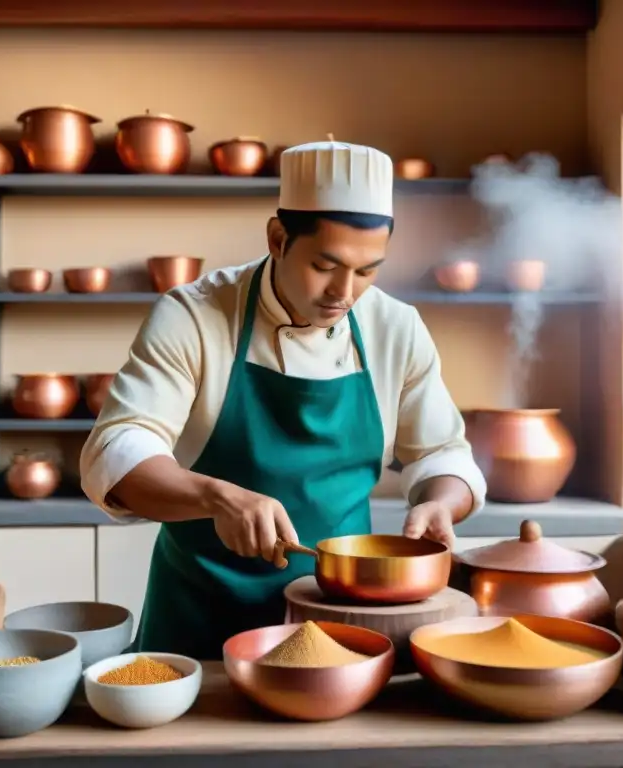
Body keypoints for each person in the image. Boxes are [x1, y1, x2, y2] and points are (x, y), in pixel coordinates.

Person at [79, 139, 486, 660]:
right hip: (201, 619)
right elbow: (116, 451)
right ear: (277, 238)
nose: (344, 291)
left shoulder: (395, 327)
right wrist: (216, 497)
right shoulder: (195, 316)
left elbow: (442, 453)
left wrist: (439, 502)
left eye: (367, 271)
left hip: (337, 617)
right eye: (325, 264)